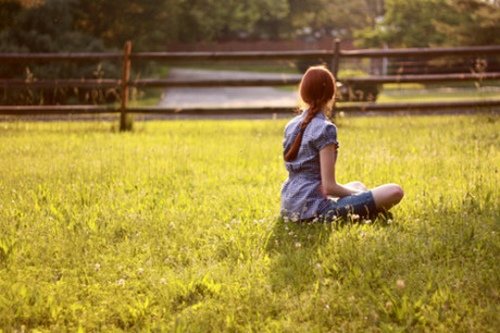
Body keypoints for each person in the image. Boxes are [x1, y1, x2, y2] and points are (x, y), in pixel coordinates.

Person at [280, 66, 404, 222]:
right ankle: (369, 212)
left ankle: (368, 211)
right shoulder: (325, 128)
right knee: (394, 191)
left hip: (289, 207)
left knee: (358, 185)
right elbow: (329, 187)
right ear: (332, 94)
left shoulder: (291, 125)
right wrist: (362, 197)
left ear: (303, 93)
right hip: (314, 211)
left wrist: (362, 194)